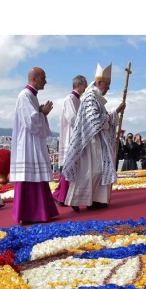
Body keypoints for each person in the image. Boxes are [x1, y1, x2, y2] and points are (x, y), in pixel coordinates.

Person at [62, 62, 126, 212]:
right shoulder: (90, 96)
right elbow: (94, 119)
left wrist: (114, 114)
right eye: (107, 85)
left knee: (98, 170)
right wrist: (115, 111)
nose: (108, 88)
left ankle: (95, 200)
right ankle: (76, 200)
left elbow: (102, 118)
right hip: (89, 141)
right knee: (89, 172)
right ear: (99, 82)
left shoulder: (95, 97)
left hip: (96, 140)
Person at [10, 67, 58, 224]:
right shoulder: (25, 95)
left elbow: (34, 118)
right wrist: (42, 113)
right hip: (28, 143)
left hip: (33, 141)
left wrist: (41, 112)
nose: (45, 81)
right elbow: (30, 121)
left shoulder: (31, 96)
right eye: (43, 77)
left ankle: (40, 212)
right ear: (34, 78)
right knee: (30, 176)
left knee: (36, 176)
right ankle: (30, 213)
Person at [53, 75, 88, 206]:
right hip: (71, 137)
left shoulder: (79, 100)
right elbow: (73, 118)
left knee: (74, 168)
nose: (86, 87)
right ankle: (60, 196)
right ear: (78, 85)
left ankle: (63, 195)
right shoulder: (70, 99)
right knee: (69, 168)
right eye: (84, 84)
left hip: (78, 137)